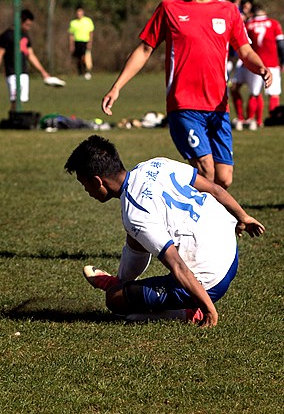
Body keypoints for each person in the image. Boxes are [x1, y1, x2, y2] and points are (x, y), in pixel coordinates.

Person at [101, 0, 273, 189]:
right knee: (206, 170)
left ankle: (190, 215)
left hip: (218, 107)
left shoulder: (228, 11)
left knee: (223, 178)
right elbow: (144, 49)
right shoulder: (170, 8)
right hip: (184, 106)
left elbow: (245, 50)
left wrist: (261, 67)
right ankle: (200, 223)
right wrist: (116, 87)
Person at [64, 135, 265, 328]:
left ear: (98, 181)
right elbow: (214, 189)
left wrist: (209, 309)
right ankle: (118, 282)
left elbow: (177, 265)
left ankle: (188, 313)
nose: (86, 191)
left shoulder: (135, 214)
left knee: (115, 301)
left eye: (84, 184)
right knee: (134, 238)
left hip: (211, 280)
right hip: (230, 252)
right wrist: (243, 217)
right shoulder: (154, 165)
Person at [0, 9, 65, 112]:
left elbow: (31, 55)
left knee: (21, 100)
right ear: (20, 21)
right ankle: (14, 119)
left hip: (24, 73)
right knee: (15, 99)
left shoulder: (25, 35)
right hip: (12, 73)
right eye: (27, 24)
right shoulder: (6, 36)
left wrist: (43, 72)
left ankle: (16, 118)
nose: (28, 28)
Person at [233, 5, 284, 129]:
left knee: (254, 93)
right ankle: (273, 119)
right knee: (273, 93)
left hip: (255, 63)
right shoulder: (273, 23)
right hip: (272, 63)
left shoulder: (249, 24)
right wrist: (283, 61)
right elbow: (281, 44)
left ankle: (251, 120)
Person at [68, 6, 95, 80]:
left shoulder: (88, 21)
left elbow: (91, 32)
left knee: (85, 57)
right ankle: (80, 73)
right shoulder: (73, 23)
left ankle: (87, 71)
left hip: (85, 41)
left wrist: (90, 42)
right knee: (78, 58)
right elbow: (71, 34)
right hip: (77, 42)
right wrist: (71, 44)